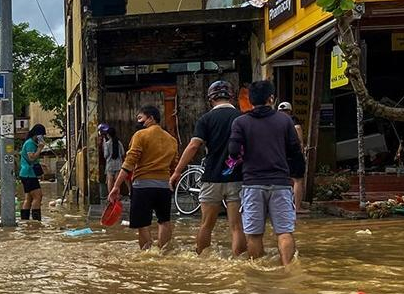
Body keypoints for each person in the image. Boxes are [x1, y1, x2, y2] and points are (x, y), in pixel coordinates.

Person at [228, 80, 304, 267]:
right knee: (284, 232)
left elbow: (233, 151)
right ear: (271, 98)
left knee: (254, 234)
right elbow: (296, 151)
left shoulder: (240, 122)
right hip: (280, 183)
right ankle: (288, 271)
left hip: (252, 183)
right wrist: (296, 174)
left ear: (251, 100)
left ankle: (258, 273)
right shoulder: (284, 120)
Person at [170, 81, 247, 257]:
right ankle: (240, 264)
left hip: (212, 177)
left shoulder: (205, 119)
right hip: (237, 177)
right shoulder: (242, 118)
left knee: (206, 225)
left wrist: (177, 171)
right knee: (237, 226)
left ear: (211, 99)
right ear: (231, 97)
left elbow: (193, 146)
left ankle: (202, 262)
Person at [107, 105, 178, 250]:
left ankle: (147, 254)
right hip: (164, 187)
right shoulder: (172, 140)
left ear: (151, 118)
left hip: (142, 186)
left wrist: (116, 186)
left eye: (140, 118)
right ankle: (163, 254)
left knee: (142, 224)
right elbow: (174, 167)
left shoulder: (140, 135)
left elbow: (128, 164)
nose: (139, 122)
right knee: (164, 221)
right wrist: (170, 183)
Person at [277, 101, 308, 213]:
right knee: (298, 180)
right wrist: (302, 152)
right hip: (294, 155)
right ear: (290, 111)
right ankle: (297, 207)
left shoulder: (276, 122)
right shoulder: (294, 123)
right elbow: (299, 142)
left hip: (280, 155)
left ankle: (283, 207)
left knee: (284, 180)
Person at [17, 124, 47, 221]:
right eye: (41, 136)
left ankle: (25, 221)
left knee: (29, 198)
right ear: (37, 135)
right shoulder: (30, 143)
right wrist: (40, 148)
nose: (42, 138)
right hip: (28, 174)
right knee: (38, 196)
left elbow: (32, 160)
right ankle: (36, 221)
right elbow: (31, 157)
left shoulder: (31, 143)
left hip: (26, 174)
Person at [99, 123, 125, 197]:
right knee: (117, 181)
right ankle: (117, 195)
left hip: (110, 165)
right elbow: (123, 153)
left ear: (108, 135)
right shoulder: (119, 143)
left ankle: (110, 195)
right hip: (118, 164)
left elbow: (106, 155)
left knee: (110, 180)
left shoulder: (107, 144)